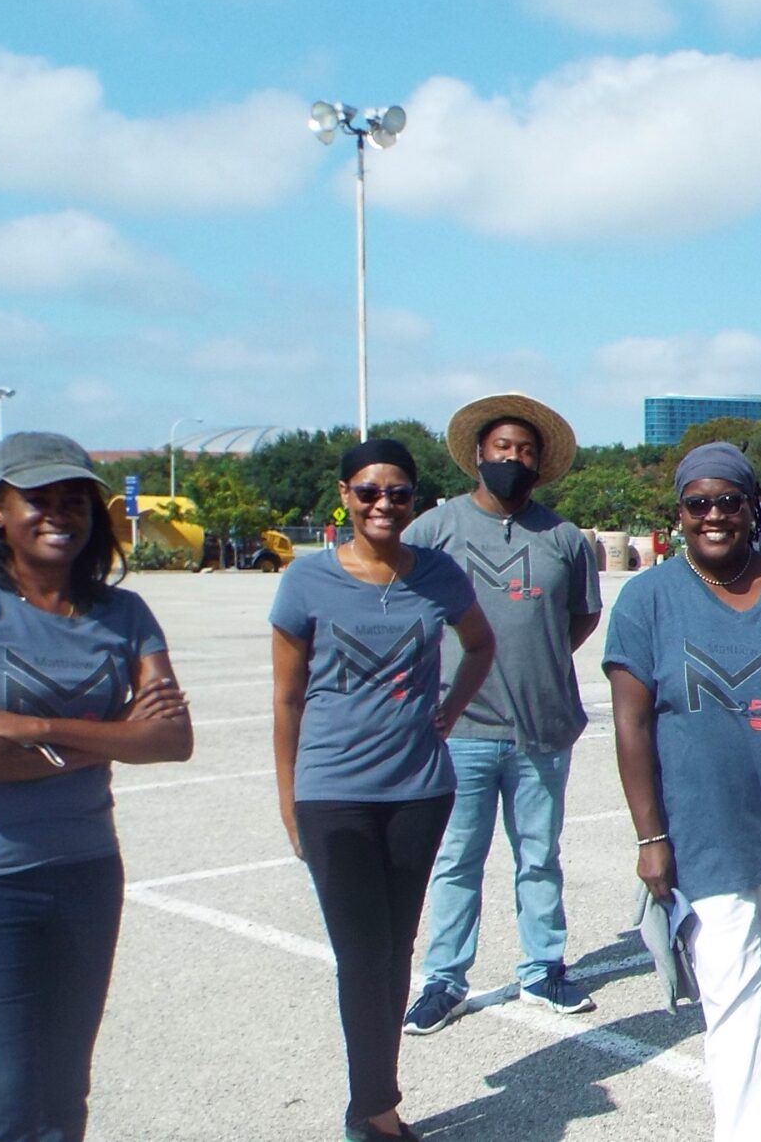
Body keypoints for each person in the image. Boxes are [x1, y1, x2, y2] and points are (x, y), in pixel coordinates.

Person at [0, 432, 195, 1142]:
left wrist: (35, 727)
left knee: (65, 1090)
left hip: (84, 870)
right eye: (38, 498)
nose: (59, 513)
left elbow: (171, 739)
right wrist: (107, 739)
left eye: (75, 500)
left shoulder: (125, 614)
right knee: (6, 1092)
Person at [271, 438, 498, 1142]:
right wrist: (288, 800)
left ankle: (373, 1107)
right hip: (333, 793)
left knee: (395, 950)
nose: (383, 504)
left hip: (418, 791)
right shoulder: (306, 582)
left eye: (397, 493)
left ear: (412, 501)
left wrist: (451, 708)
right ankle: (374, 1111)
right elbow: (286, 700)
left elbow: (481, 643)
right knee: (362, 954)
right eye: (368, 491)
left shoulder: (437, 575)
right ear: (344, 495)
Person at [605, 442, 761, 1140]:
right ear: (678, 514)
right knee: (731, 996)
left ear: (753, 509)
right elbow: (631, 723)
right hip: (705, 830)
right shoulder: (647, 598)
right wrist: (650, 836)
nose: (713, 515)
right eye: (697, 503)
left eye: (729, 501)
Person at [403, 394, 604, 1033]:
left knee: (539, 855)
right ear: (478, 455)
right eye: (502, 448)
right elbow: (397, 604)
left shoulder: (564, 538)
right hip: (458, 728)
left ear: (539, 463)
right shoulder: (434, 530)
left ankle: (543, 968)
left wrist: (534, 655)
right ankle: (444, 978)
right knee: (457, 859)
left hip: (542, 728)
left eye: (524, 450)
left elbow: (581, 617)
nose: (512, 459)